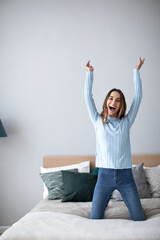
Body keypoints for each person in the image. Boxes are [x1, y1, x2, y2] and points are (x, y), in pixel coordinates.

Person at [84, 58, 146, 221]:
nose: (114, 102)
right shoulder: (98, 121)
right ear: (106, 101)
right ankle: (106, 203)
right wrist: (89, 74)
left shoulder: (126, 122)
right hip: (104, 176)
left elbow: (138, 97)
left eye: (118, 100)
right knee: (94, 218)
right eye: (111, 98)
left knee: (139, 218)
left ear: (121, 105)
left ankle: (125, 201)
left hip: (126, 176)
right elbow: (87, 97)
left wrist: (136, 72)